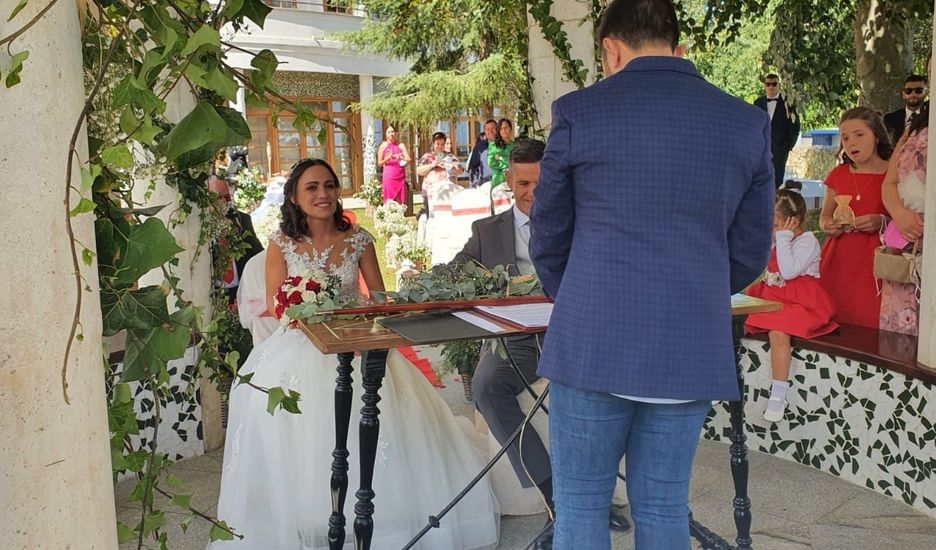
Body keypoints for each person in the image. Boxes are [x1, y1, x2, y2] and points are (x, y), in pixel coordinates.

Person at [528, 1, 774, 548]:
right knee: (664, 508)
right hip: (688, 345)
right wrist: (695, 290)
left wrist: (583, 297)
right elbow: (752, 251)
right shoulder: (746, 122)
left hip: (593, 343)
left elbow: (546, 234)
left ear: (611, 48)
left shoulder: (579, 112)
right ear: (677, 45)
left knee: (581, 508)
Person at [211, 159, 500, 549]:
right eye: (312, 187)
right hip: (302, 343)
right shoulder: (280, 243)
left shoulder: (359, 240)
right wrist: (309, 307)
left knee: (390, 416)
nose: (323, 194)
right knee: (258, 399)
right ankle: (306, 517)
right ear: (294, 197)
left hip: (358, 341)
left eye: (329, 186)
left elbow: (379, 298)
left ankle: (388, 521)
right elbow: (278, 308)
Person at [453, 139, 631, 549]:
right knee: (484, 386)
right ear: (510, 182)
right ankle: (555, 495)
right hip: (516, 339)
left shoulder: (581, 223)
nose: (533, 192)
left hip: (577, 333)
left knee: (599, 392)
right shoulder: (487, 231)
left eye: (541, 182)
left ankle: (596, 496)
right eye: (524, 183)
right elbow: (457, 269)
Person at [745, 190, 838, 422]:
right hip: (773, 296)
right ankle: (722, 379)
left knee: (778, 332)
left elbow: (788, 271)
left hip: (801, 302)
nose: (771, 228)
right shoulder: (775, 238)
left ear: (793, 221)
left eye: (775, 223)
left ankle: (778, 392)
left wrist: (784, 238)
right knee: (732, 321)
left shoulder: (807, 242)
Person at [819, 107, 892, 330]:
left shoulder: (893, 173)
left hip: (876, 260)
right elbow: (824, 216)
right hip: (838, 257)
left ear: (876, 136)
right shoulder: (838, 174)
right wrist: (828, 225)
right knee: (832, 315)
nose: (852, 143)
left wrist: (882, 221)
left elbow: (907, 217)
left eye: (859, 135)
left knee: (868, 318)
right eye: (845, 138)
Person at [880, 99, 929, 336]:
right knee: (899, 335)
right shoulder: (915, 127)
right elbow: (889, 182)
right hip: (907, 237)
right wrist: (899, 214)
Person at [208, 175, 264, 304]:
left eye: (226, 197)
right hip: (212, 296)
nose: (223, 201)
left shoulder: (242, 220)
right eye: (217, 197)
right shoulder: (199, 226)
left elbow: (257, 254)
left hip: (242, 292)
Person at [754, 73, 801, 186]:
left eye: (774, 84)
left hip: (780, 149)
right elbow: (754, 124)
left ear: (778, 85)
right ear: (765, 86)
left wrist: (788, 146)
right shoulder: (758, 103)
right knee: (759, 178)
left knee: (776, 180)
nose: (771, 87)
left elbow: (795, 126)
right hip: (761, 148)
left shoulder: (788, 103)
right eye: (768, 84)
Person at [416, 131, 461, 213]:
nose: (440, 146)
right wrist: (431, 165)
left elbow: (460, 170)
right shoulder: (427, 156)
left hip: (447, 191)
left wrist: (450, 166)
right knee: (431, 215)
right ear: (433, 144)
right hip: (430, 193)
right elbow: (419, 171)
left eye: (442, 144)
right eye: (438, 144)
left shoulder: (450, 156)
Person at [883, 74, 929, 145]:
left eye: (918, 90)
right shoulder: (889, 119)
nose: (913, 94)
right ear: (903, 94)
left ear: (926, 93)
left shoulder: (932, 118)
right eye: (908, 91)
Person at [377, 125, 411, 204]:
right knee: (388, 198)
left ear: (395, 133)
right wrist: (387, 158)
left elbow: (409, 160)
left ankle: (401, 212)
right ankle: (388, 213)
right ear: (386, 134)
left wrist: (401, 157)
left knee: (401, 197)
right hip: (389, 175)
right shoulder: (382, 146)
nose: (391, 134)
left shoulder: (401, 145)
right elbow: (379, 163)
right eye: (389, 132)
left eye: (392, 132)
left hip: (400, 175)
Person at [467, 119, 497, 187]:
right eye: (487, 129)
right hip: (485, 185)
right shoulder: (480, 147)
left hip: (501, 184)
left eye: (493, 128)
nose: (490, 131)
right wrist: (475, 184)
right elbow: (472, 167)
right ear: (485, 132)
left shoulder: (505, 145)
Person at [487, 118, 514, 188]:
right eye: (501, 128)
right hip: (499, 180)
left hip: (513, 180)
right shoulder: (493, 145)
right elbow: (491, 163)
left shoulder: (514, 145)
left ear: (510, 129)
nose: (503, 130)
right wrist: (508, 166)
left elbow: (516, 162)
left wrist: (500, 158)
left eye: (506, 128)